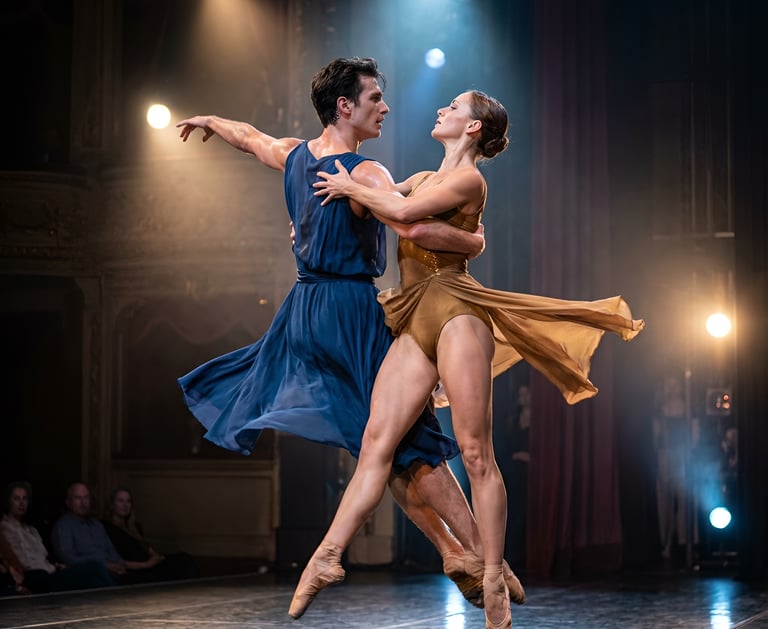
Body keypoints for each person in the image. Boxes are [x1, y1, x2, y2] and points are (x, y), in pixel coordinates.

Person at [176, 57, 523, 608]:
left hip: (301, 311)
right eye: (376, 99)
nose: (385, 108)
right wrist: (474, 243)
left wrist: (211, 121)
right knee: (414, 444)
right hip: (351, 311)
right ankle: (485, 557)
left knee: (382, 447)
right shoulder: (370, 175)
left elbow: (249, 137)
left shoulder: (294, 155)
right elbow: (409, 221)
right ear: (346, 106)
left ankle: (457, 554)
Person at [293, 89, 644, 627]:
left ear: (473, 128)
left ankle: (493, 578)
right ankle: (327, 557)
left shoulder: (469, 180)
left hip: (457, 311)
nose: (441, 111)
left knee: (476, 454)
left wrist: (350, 187)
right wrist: (314, 219)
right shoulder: (420, 177)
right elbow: (379, 208)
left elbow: (405, 218)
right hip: (412, 316)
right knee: (376, 442)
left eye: (453, 108)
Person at [1, 481, 114, 592]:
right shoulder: (3, 528)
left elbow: (42, 558)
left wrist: (55, 566)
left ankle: (114, 598)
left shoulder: (31, 530)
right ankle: (115, 596)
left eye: (24, 498)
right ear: (8, 501)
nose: (21, 503)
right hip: (33, 577)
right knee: (93, 567)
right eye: (16, 498)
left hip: (49, 572)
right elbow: (13, 561)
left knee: (94, 576)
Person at [102, 486, 198, 583]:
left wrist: (155, 556)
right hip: (136, 568)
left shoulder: (134, 526)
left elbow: (148, 549)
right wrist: (146, 564)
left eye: (128, 501)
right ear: (112, 504)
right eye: (120, 501)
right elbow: (115, 560)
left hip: (149, 562)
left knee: (184, 560)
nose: (125, 505)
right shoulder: (106, 527)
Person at [50, 482, 127, 583]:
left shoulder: (97, 525)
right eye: (78, 498)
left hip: (111, 570)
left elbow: (111, 549)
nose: (83, 502)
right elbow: (68, 557)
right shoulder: (63, 526)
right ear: (68, 502)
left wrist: (120, 565)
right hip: (86, 573)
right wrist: (103, 565)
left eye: (86, 498)